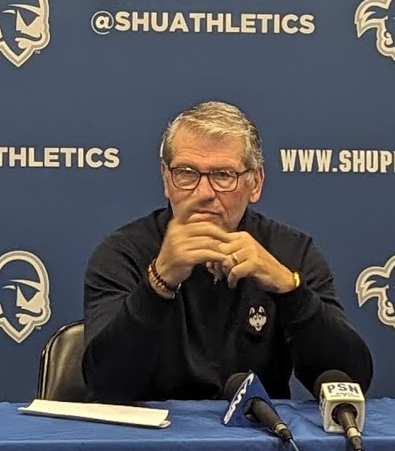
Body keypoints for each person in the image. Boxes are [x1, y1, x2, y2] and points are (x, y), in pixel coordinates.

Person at [82, 100, 373, 402]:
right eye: (186, 172)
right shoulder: (122, 253)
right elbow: (104, 385)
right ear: (166, 180)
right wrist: (159, 282)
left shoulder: (291, 252)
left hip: (261, 436)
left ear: (255, 183)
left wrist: (289, 290)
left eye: (223, 175)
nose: (204, 193)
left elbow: (350, 379)